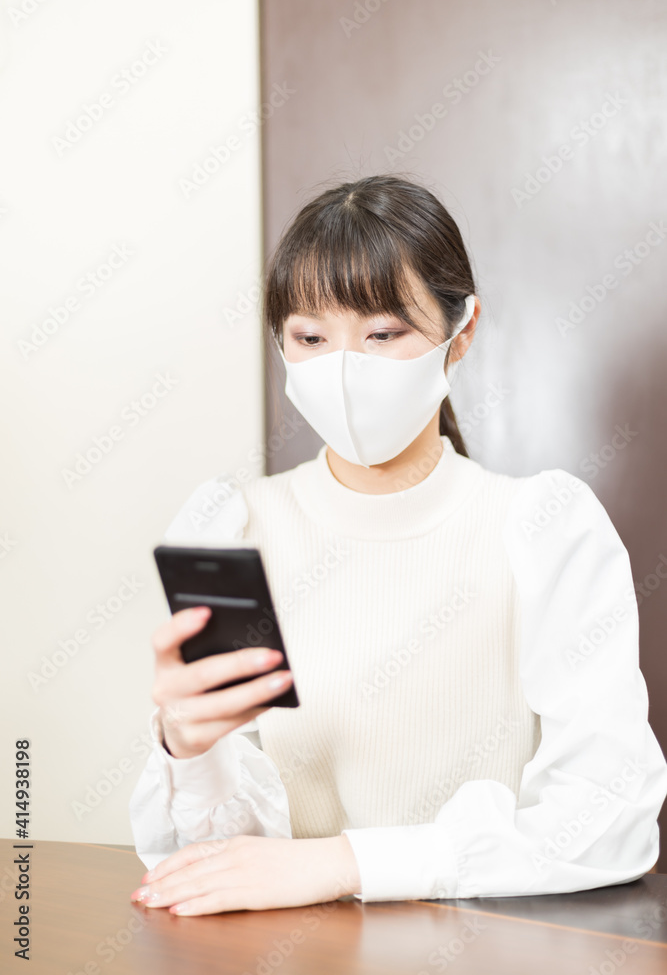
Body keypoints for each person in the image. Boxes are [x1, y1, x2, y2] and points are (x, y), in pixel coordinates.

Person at [128, 174, 667, 917]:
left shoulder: (543, 528)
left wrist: (348, 862)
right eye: (310, 338)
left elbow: (609, 822)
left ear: (462, 331)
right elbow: (213, 866)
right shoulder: (230, 531)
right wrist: (188, 753)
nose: (344, 370)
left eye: (383, 334)